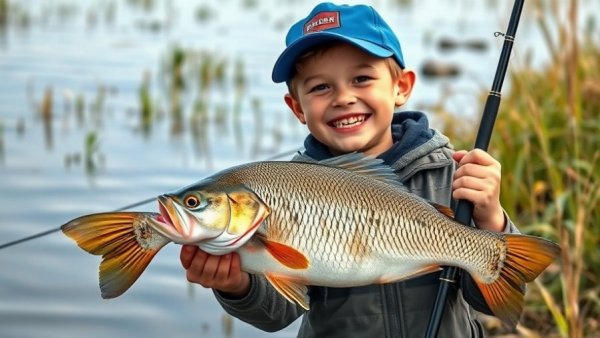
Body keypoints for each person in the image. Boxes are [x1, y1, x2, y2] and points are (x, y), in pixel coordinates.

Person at [179, 2, 519, 337]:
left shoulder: (448, 174)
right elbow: (277, 315)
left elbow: (493, 299)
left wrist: (492, 220)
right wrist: (237, 286)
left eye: (361, 78)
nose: (343, 97)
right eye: (320, 87)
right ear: (297, 107)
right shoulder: (286, 190)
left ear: (401, 87)